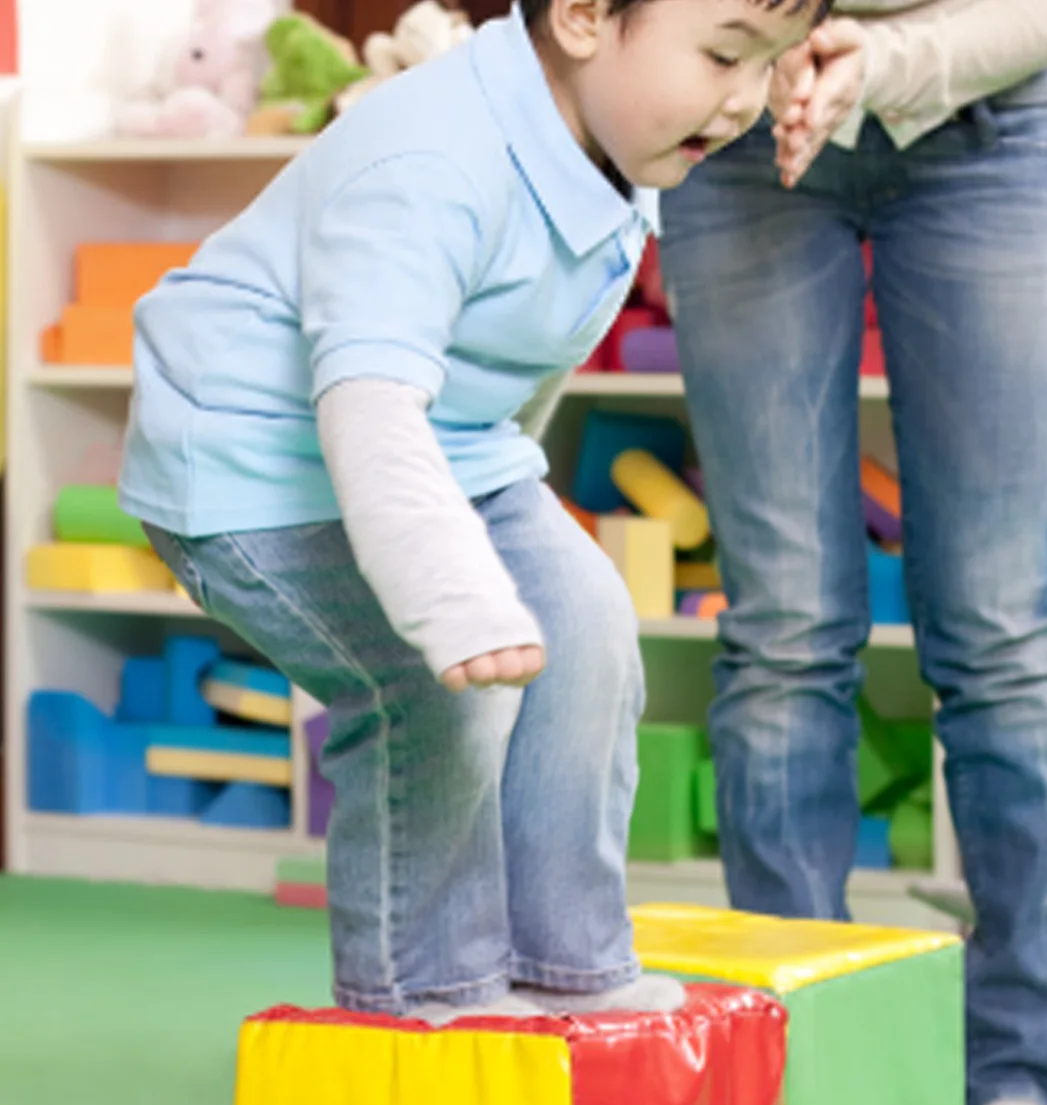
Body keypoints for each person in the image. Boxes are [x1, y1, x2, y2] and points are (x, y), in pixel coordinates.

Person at [119, 0, 824, 1023]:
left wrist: (506, 520)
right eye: (724, 54)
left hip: (439, 447)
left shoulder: (615, 148)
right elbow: (367, 407)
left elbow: (502, 378)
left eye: (766, 62)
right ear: (584, 16)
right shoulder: (430, 164)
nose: (746, 98)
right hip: (248, 466)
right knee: (434, 691)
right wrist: (451, 590)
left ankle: (564, 965)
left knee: (586, 622)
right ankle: (426, 1001)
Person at [660, 1, 1047, 1105]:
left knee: (999, 628)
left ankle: (1020, 1073)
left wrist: (885, 63)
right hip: (744, 126)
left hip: (983, 128)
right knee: (781, 631)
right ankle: (803, 1047)